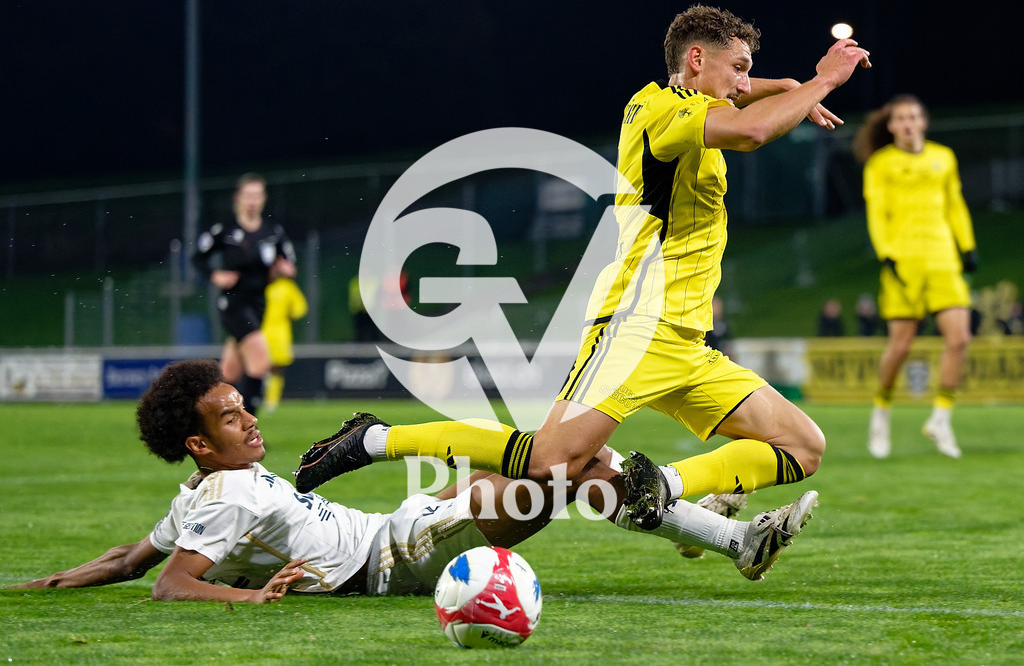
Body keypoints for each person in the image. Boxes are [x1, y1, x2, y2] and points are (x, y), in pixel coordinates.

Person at [294, 4, 867, 533]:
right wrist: (822, 79)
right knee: (550, 462)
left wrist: (784, 86)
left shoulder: (683, 104)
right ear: (696, 60)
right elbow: (753, 128)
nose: (745, 83)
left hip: (687, 341)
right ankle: (373, 438)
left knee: (801, 445)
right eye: (739, 68)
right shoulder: (667, 112)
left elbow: (740, 103)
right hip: (636, 326)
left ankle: (663, 484)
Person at [9, 360, 818, 599]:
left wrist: (40, 583)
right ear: (197, 442)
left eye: (245, 405)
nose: (250, 419)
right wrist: (250, 598)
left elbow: (130, 561)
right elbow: (171, 586)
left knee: (574, 467)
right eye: (231, 418)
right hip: (401, 557)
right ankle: (718, 528)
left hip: (397, 523)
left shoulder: (199, 498)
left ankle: (720, 529)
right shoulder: (222, 499)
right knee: (563, 467)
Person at [852, 95, 977, 459]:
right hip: (904, 260)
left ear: (923, 122)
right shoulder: (880, 163)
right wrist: (886, 253)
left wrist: (967, 246)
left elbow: (955, 203)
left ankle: (940, 418)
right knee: (901, 346)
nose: (907, 124)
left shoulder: (944, 157)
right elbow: (876, 211)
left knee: (960, 338)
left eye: (913, 117)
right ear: (891, 126)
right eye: (900, 118)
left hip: (942, 257)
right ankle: (881, 410)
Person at [192, 173, 297, 417]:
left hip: (259, 304)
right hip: (233, 303)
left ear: (263, 199)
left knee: (228, 373)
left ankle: (202, 415)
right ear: (238, 199)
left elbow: (289, 264)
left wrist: (284, 270)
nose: (252, 201)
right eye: (248, 195)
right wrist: (214, 274)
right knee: (260, 360)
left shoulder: (272, 232)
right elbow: (198, 257)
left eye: (257, 195)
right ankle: (245, 428)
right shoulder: (225, 230)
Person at [261, 275, 308, 413]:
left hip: (280, 333)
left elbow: (300, 308)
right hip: (259, 331)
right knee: (258, 366)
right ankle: (258, 396)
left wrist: (289, 312)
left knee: (276, 367)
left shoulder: (287, 286)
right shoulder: (258, 282)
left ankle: (271, 401)